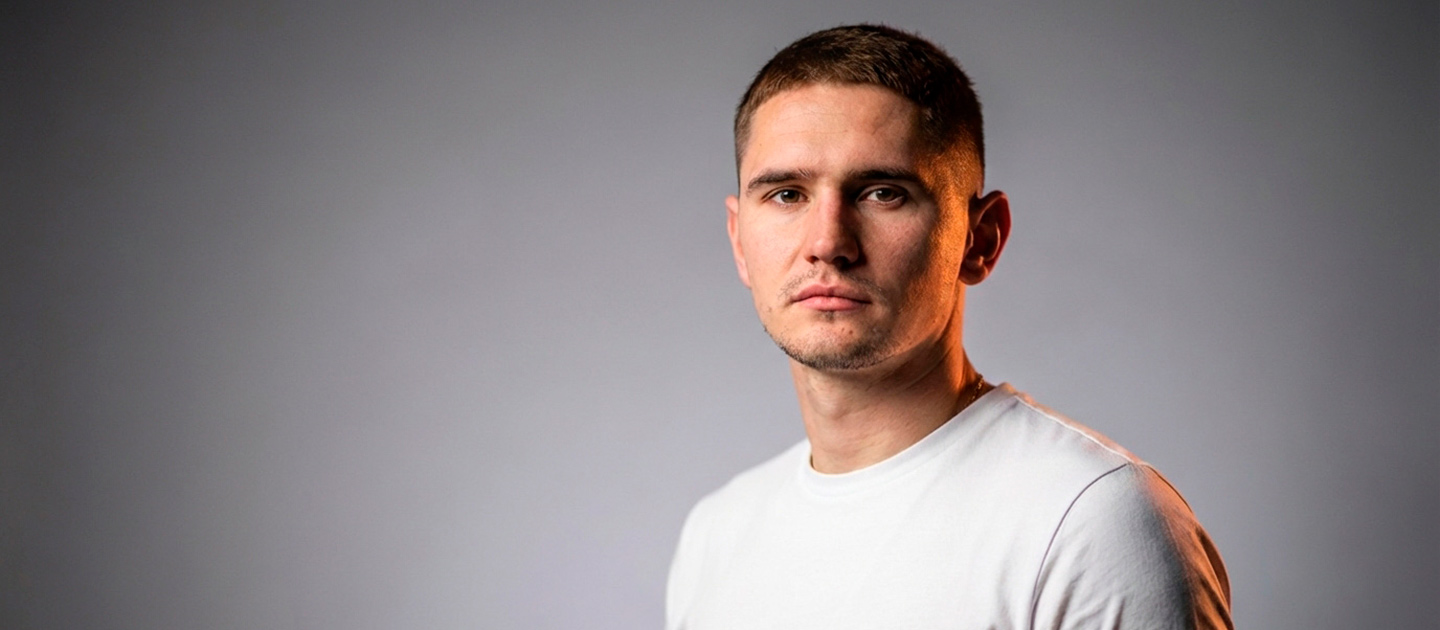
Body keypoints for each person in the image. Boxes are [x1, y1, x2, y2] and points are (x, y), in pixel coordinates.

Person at [665, 24, 1232, 630]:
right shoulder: (716, 536)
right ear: (739, 241)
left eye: (882, 193)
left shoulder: (1092, 522)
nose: (827, 243)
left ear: (979, 238)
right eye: (785, 195)